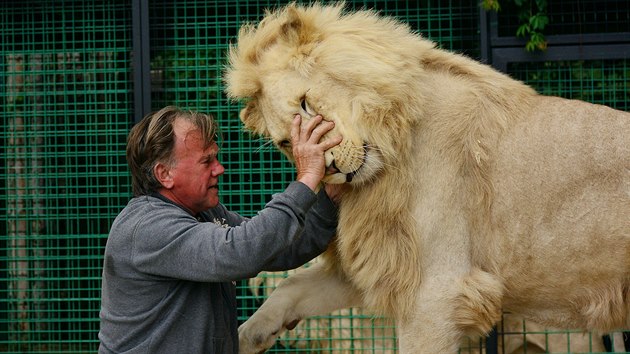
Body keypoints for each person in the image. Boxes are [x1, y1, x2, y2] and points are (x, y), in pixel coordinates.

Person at [98, 106, 344, 353]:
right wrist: (307, 178)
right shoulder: (147, 227)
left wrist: (329, 200)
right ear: (165, 174)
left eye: (215, 157)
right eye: (206, 161)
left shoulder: (204, 215)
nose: (219, 169)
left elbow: (281, 248)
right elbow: (239, 253)